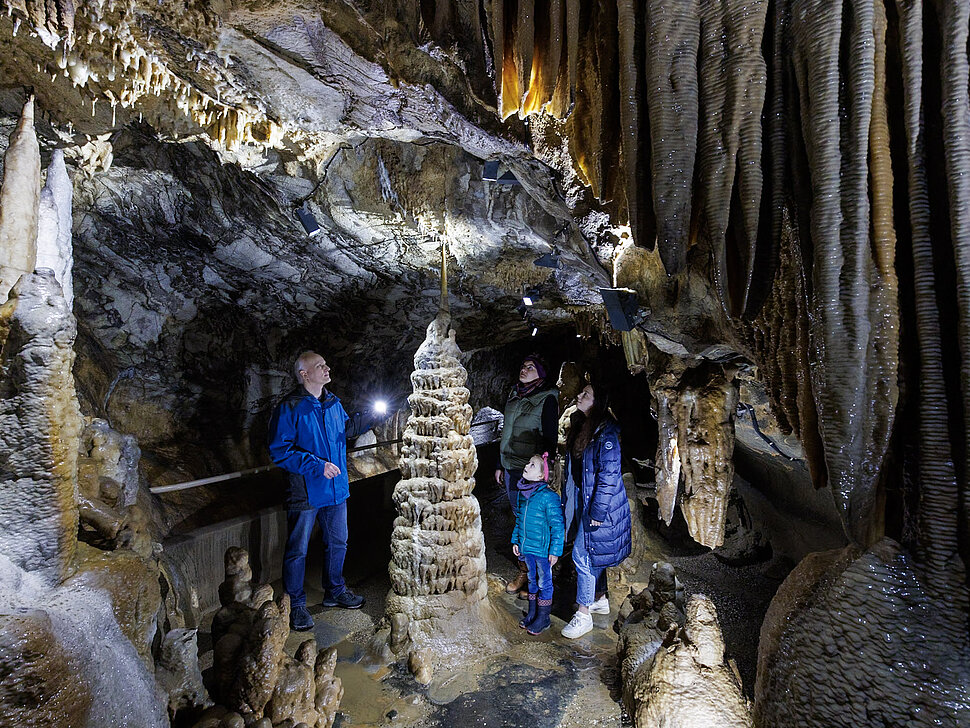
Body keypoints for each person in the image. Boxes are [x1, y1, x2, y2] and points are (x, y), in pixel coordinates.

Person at [268, 351, 373, 631]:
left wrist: (372, 416)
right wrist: (316, 465)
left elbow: (346, 430)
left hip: (336, 489)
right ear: (304, 374)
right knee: (297, 551)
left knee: (339, 543)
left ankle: (335, 591)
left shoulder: (333, 403)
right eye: (320, 366)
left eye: (326, 364)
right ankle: (296, 605)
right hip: (305, 490)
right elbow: (280, 451)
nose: (327, 368)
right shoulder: (290, 408)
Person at [561, 382, 631, 639]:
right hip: (584, 498)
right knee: (594, 553)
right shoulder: (582, 424)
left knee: (583, 555)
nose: (579, 396)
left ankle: (583, 615)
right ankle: (599, 598)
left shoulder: (606, 433)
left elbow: (609, 477)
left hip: (601, 506)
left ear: (598, 401)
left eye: (586, 394)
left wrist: (598, 514)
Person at [495, 354, 559, 596]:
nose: (525, 369)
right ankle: (526, 570)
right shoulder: (514, 396)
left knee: (535, 521)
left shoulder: (547, 399)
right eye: (523, 365)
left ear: (541, 374)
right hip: (511, 466)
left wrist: (542, 469)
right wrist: (499, 464)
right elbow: (505, 432)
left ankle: (538, 575)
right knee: (520, 518)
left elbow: (549, 437)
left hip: (530, 471)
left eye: (531, 367)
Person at [511, 452, 565, 635]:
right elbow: (519, 520)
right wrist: (516, 540)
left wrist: (555, 550)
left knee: (544, 583)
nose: (526, 466)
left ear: (541, 476)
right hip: (527, 548)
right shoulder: (522, 494)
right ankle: (533, 613)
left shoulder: (549, 497)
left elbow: (557, 526)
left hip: (542, 551)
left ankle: (544, 618)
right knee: (532, 581)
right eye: (527, 463)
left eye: (532, 465)